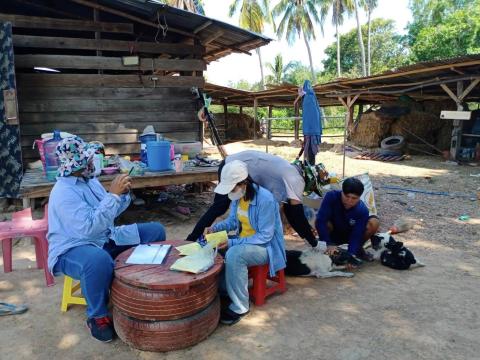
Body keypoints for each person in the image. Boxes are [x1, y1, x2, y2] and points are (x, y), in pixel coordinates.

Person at [47, 137, 166, 343]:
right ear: (75, 166)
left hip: (105, 236)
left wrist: (122, 195)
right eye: (87, 159)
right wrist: (112, 195)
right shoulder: (63, 193)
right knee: (98, 260)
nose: (93, 162)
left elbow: (108, 213)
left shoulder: (89, 180)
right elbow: (88, 228)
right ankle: (97, 317)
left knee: (156, 231)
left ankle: (141, 289)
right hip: (73, 247)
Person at [187, 150, 324, 251]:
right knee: (220, 206)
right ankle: (192, 239)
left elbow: (291, 212)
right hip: (233, 168)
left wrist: (308, 238)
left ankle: (196, 238)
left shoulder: (286, 173)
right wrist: (313, 241)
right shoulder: (295, 179)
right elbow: (296, 214)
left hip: (235, 164)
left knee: (229, 208)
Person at [207, 160, 286, 325]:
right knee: (211, 247)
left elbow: (265, 236)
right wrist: (215, 228)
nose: (230, 191)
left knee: (234, 254)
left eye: (232, 187)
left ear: (244, 183)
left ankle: (240, 306)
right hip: (245, 242)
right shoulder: (239, 196)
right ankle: (224, 291)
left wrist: (232, 243)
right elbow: (233, 222)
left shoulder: (266, 200)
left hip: (267, 247)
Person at [315, 177, 380, 270]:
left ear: (359, 197)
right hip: (333, 234)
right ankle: (325, 246)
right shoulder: (331, 196)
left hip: (350, 236)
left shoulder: (362, 210)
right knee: (322, 220)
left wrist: (350, 256)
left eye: (354, 198)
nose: (349, 201)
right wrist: (328, 243)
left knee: (374, 223)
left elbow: (356, 235)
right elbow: (320, 221)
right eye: (347, 196)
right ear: (341, 192)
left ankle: (357, 250)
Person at [293, 80, 322, 165]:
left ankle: (309, 166)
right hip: (314, 129)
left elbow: (308, 113)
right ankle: (309, 165)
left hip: (309, 129)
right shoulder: (312, 97)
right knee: (309, 149)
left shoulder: (307, 98)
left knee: (308, 149)